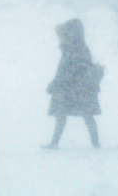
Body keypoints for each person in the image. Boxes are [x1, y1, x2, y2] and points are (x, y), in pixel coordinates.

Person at [42, 18, 101, 149]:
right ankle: (95, 144)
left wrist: (55, 83)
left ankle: (55, 142)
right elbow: (65, 71)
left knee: (65, 114)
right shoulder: (78, 47)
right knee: (82, 115)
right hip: (81, 89)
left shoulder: (73, 49)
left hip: (73, 89)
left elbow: (66, 71)